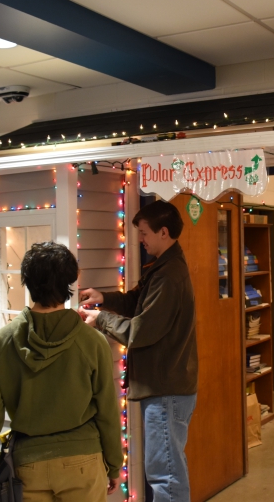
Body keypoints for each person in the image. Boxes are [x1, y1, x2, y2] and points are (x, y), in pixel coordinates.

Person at [0, 241, 122, 501]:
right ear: (69, 283)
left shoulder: (2, 342)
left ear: (27, 282)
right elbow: (107, 412)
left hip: (27, 465)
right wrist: (113, 464)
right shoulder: (92, 342)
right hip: (84, 461)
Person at [79, 200, 197, 502]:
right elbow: (137, 303)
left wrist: (100, 319)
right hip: (164, 388)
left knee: (165, 476)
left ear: (164, 232)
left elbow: (141, 331)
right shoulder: (162, 267)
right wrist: (103, 298)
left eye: (144, 233)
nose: (141, 239)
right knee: (166, 472)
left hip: (165, 391)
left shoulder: (169, 276)